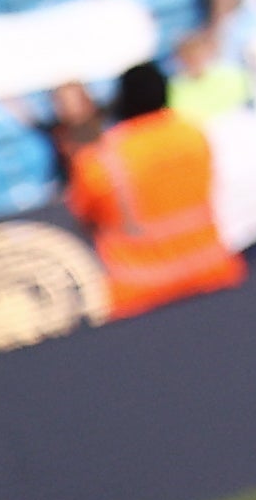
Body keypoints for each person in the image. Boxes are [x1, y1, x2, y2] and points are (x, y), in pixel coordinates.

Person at [65, 59, 241, 315]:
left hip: (141, 293)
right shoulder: (194, 135)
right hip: (212, 273)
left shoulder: (99, 158)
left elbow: (85, 216)